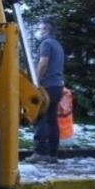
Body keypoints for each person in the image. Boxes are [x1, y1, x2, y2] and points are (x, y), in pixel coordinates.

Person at [28, 20, 65, 163]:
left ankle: (40, 152)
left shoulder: (46, 44)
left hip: (47, 86)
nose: (38, 31)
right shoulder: (57, 44)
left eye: (40, 28)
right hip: (57, 86)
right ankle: (52, 154)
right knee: (52, 120)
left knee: (40, 118)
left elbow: (43, 63)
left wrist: (35, 82)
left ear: (47, 30)